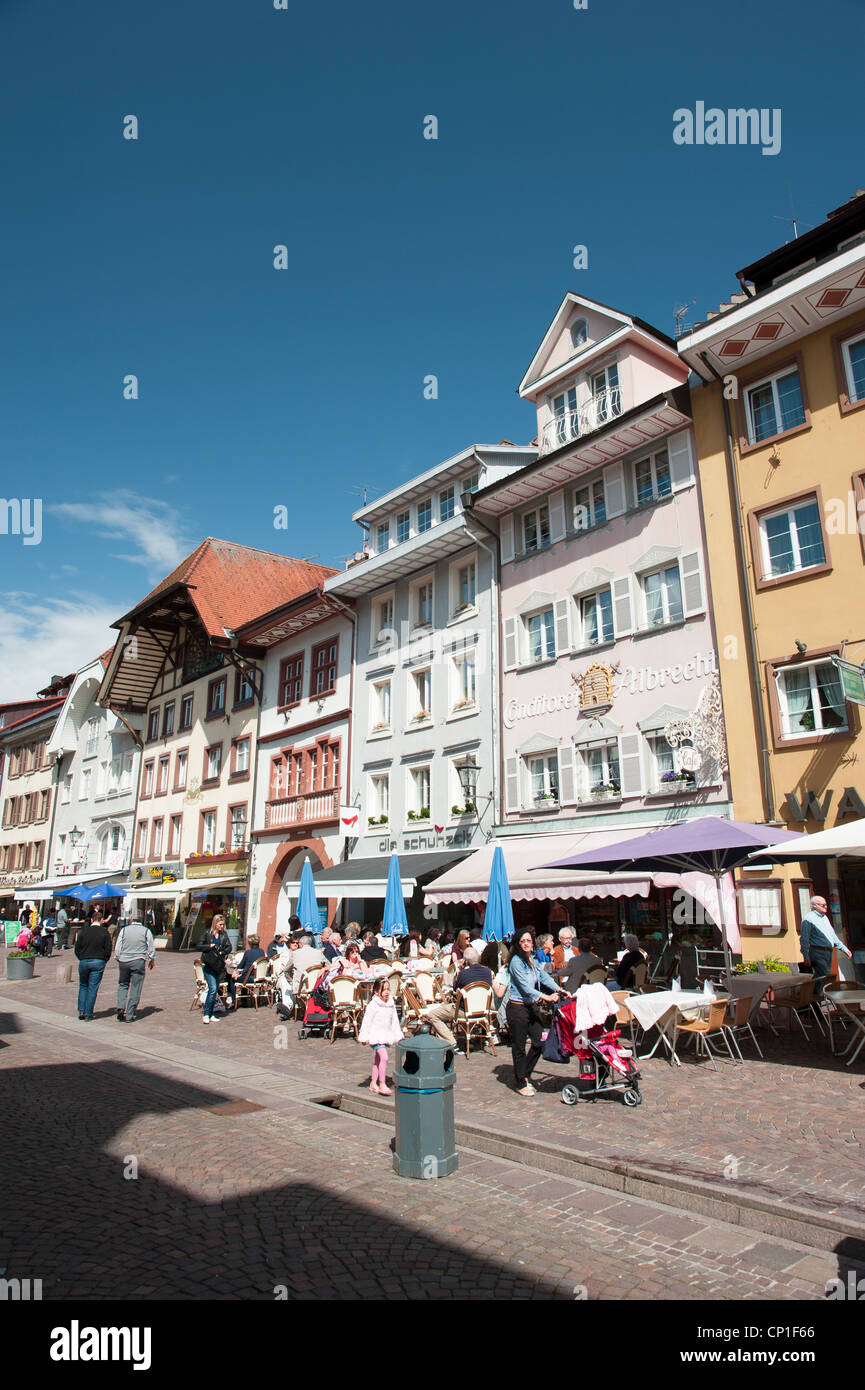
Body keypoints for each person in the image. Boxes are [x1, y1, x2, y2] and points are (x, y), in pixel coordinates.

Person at [506, 930, 560, 1097]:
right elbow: (525, 987)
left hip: (531, 1007)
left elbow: (543, 977)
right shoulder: (516, 962)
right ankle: (520, 1081)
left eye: (529, 940)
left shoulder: (533, 960)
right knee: (519, 1046)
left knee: (538, 1041)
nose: (526, 943)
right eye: (523, 941)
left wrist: (559, 989)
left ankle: (525, 1073)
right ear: (518, 943)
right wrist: (547, 997)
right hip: (517, 1007)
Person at [420, 947, 506, 1047]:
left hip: (465, 1011)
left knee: (433, 1015)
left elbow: (454, 987)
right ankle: (468, 1038)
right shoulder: (487, 972)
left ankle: (450, 1041)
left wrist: (460, 970)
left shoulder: (464, 974)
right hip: (483, 1010)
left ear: (465, 961)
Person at [800, 895, 853, 997]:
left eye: (826, 905)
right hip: (817, 952)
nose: (825, 907)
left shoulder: (825, 918)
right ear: (814, 906)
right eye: (823, 905)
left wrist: (844, 949)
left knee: (821, 977)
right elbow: (804, 940)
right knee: (828, 976)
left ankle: (812, 999)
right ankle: (821, 997)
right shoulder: (808, 919)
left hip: (827, 952)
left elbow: (832, 936)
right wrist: (806, 956)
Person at [358, 977, 403, 1095]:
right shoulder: (373, 1005)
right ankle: (382, 1083)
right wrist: (364, 1036)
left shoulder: (390, 1004)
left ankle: (373, 1082)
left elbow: (394, 1021)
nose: (387, 992)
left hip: (385, 1035)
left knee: (378, 1059)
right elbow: (367, 1022)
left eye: (388, 989)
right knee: (384, 1057)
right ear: (376, 991)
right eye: (384, 990)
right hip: (376, 1036)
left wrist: (397, 1034)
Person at [114, 913, 156, 1023]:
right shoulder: (146, 931)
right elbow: (151, 946)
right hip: (138, 961)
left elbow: (118, 945)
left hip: (124, 960)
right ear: (142, 920)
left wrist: (118, 957)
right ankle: (129, 1014)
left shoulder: (124, 930)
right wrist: (151, 959)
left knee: (123, 984)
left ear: (132, 919)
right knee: (135, 987)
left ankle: (120, 1007)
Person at [74, 913, 113, 1020]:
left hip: (84, 961)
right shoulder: (104, 932)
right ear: (101, 920)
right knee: (93, 988)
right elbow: (108, 949)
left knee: (83, 986)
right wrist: (104, 960)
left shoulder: (84, 932)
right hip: (98, 961)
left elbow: (77, 948)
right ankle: (88, 1013)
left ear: (91, 920)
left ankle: (81, 1010)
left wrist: (81, 957)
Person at [197, 914, 233, 1024]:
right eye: (220, 924)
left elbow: (229, 947)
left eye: (223, 924)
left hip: (219, 966)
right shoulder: (208, 933)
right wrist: (209, 946)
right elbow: (199, 945)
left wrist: (223, 951)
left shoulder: (224, 935)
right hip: (208, 964)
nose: (222, 926)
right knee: (212, 989)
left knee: (215, 990)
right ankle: (206, 1014)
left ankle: (211, 1013)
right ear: (215, 924)